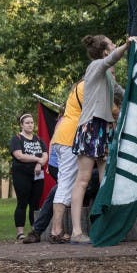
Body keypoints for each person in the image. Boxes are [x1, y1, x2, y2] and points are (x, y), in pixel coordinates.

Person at [69, 35, 137, 245]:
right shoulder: (95, 67)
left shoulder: (107, 76)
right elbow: (111, 60)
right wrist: (127, 45)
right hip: (90, 127)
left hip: (104, 128)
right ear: (105, 51)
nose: (115, 45)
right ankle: (76, 232)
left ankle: (105, 227)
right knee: (83, 179)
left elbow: (121, 93)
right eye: (112, 44)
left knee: (105, 180)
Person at [47, 80, 86, 244]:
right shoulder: (86, 86)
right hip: (69, 138)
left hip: (61, 137)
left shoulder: (76, 89)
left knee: (65, 182)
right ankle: (56, 230)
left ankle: (57, 229)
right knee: (66, 184)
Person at [9, 114, 46, 242]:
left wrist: (39, 163)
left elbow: (45, 155)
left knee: (35, 204)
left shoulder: (38, 139)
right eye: (27, 123)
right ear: (21, 125)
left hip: (37, 175)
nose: (30, 125)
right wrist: (37, 159)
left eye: (32, 122)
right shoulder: (17, 139)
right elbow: (19, 156)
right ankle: (20, 232)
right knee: (22, 202)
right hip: (21, 174)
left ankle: (34, 231)